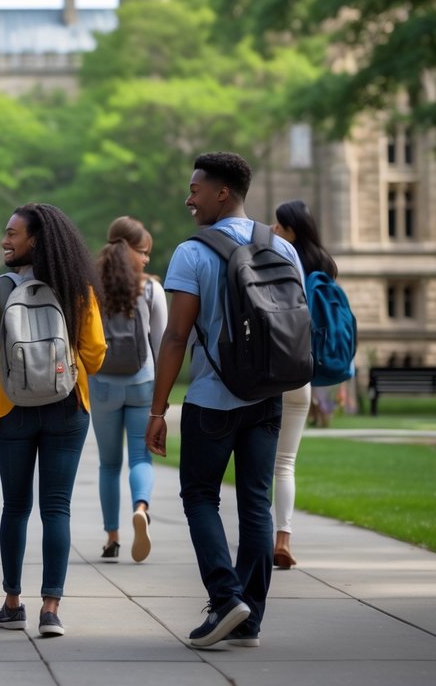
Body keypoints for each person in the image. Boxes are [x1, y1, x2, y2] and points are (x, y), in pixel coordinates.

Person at [147, 152, 304, 649]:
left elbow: (175, 337)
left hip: (214, 398)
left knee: (199, 497)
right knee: (256, 502)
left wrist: (158, 410)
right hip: (267, 393)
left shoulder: (192, 252)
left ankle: (224, 598)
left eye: (196, 189)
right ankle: (250, 619)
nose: (188, 199)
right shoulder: (283, 248)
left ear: (222, 193)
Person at [0, 203, 106, 638]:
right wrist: (60, 378)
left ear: (35, 240)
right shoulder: (77, 288)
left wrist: (15, 383)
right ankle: (51, 608)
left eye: (12, 233)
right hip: (67, 409)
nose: (4, 240)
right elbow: (96, 353)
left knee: (15, 507)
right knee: (57, 508)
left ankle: (13, 603)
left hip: (11, 411)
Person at [90, 216, 167, 563]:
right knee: (140, 456)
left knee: (108, 464)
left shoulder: (90, 287)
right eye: (144, 252)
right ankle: (141, 507)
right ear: (132, 250)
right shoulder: (150, 288)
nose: (147, 259)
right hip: (142, 381)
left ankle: (111, 537)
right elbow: (161, 342)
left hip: (103, 385)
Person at [270, 199, 338, 571]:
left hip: (273, 370)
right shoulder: (325, 264)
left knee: (261, 463)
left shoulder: (275, 259)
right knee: (286, 463)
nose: (274, 230)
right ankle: (284, 538)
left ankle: (257, 540)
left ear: (291, 230)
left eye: (279, 226)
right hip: (305, 372)